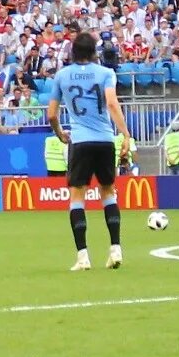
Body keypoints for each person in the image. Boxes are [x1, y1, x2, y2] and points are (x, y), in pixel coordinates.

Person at [44, 30, 125, 272]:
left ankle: (83, 257)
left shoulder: (61, 76)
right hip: (104, 139)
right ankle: (115, 249)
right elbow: (111, 102)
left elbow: (51, 114)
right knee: (108, 192)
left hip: (79, 141)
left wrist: (60, 133)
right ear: (93, 52)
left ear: (72, 52)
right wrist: (126, 133)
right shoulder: (105, 73)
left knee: (77, 196)